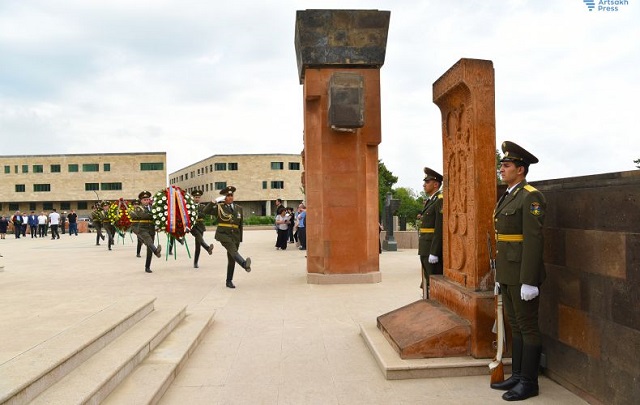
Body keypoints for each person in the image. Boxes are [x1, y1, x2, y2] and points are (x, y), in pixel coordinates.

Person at [491, 141, 546, 401]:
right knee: (515, 325)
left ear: (520, 170)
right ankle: (518, 374)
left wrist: (529, 281)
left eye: (507, 165)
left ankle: (529, 382)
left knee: (528, 326)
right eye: (502, 164)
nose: (502, 168)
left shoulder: (530, 196)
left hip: (523, 275)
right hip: (508, 272)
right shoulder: (509, 193)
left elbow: (533, 241)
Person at [211, 186, 251, 288]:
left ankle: (229, 281)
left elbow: (240, 225)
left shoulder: (239, 208)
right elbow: (206, 211)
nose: (230, 197)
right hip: (223, 234)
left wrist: (240, 239)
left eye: (231, 195)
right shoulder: (220, 207)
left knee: (232, 258)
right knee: (234, 252)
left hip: (235, 236)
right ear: (224, 197)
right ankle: (244, 264)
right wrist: (214, 202)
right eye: (228, 195)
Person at [417, 167, 444, 299]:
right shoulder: (430, 200)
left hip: (431, 249)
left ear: (436, 184)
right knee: (428, 280)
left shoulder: (439, 200)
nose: (424, 184)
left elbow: (439, 228)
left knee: (434, 281)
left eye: (427, 182)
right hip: (425, 247)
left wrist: (435, 251)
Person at [130, 191, 162, 273]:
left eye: (148, 199)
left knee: (149, 249)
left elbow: (156, 217)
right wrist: (154, 213)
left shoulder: (153, 207)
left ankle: (147, 267)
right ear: (141, 201)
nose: (146, 201)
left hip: (151, 228)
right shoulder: (138, 208)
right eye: (144, 200)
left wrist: (158, 225)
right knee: (149, 241)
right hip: (143, 228)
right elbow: (144, 215)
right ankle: (156, 251)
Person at [190, 190, 215, 269]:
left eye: (198, 197)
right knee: (199, 238)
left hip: (201, 226)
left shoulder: (203, 207)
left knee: (198, 246)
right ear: (193, 198)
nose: (197, 199)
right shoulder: (190, 206)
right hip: (193, 227)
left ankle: (195, 262)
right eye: (195, 197)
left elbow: (204, 215)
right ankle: (208, 248)